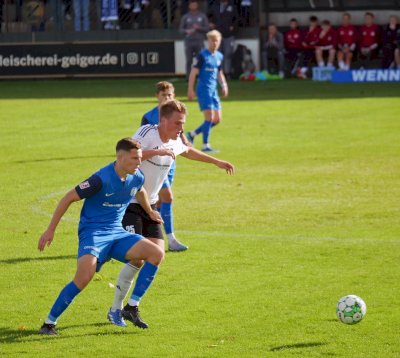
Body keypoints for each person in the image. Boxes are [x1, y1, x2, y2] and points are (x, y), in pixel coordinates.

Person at [108, 99, 235, 328]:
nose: (181, 128)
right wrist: (158, 150)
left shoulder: (176, 139)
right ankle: (115, 310)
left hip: (151, 206)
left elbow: (188, 151)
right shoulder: (148, 132)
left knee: (156, 255)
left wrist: (216, 161)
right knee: (136, 257)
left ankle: (132, 307)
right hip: (130, 203)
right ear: (163, 120)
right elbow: (129, 155)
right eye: (177, 123)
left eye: (183, 123)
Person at [37, 138, 165, 335]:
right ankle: (48, 324)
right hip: (93, 234)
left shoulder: (136, 176)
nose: (139, 163)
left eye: (140, 158)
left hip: (117, 233)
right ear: (120, 157)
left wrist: (149, 212)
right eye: (135, 159)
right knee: (83, 278)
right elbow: (68, 197)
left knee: (156, 253)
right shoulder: (100, 179)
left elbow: (140, 192)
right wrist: (50, 229)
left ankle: (131, 307)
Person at [140, 81, 188, 252]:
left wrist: (185, 142)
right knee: (167, 196)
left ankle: (151, 234)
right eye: (164, 95)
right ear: (157, 97)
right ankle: (171, 239)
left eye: (170, 95)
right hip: (155, 163)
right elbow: (143, 143)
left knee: (159, 201)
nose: (167, 98)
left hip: (170, 162)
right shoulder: (149, 116)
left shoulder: (176, 112)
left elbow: (180, 136)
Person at [186, 30, 228, 152]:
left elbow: (219, 72)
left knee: (217, 119)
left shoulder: (219, 56)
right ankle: (205, 145)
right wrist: (190, 89)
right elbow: (193, 73)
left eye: (216, 41)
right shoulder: (202, 56)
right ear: (207, 41)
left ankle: (192, 134)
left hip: (213, 90)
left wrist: (224, 85)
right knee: (209, 118)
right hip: (204, 90)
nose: (214, 43)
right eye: (212, 40)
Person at [179, 0, 209, 79]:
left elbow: (207, 28)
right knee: (189, 60)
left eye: (195, 5)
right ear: (189, 6)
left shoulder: (202, 16)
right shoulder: (185, 17)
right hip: (189, 41)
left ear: (197, 5)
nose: (193, 6)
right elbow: (181, 29)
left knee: (200, 59)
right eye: (192, 5)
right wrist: (187, 31)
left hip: (199, 41)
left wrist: (199, 28)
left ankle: (201, 75)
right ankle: (188, 77)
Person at [208, 0, 238, 78]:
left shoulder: (232, 6)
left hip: (229, 34)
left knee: (228, 53)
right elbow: (209, 17)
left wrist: (233, 27)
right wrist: (210, 23)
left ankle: (228, 73)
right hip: (217, 35)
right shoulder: (214, 6)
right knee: (218, 54)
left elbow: (237, 19)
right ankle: (219, 73)